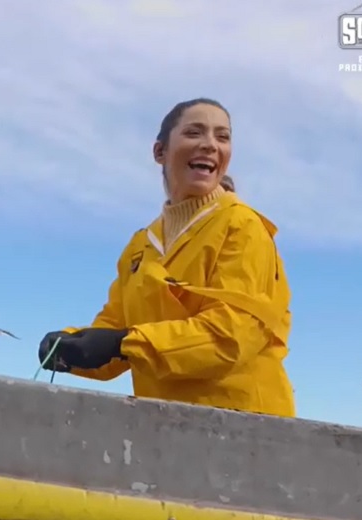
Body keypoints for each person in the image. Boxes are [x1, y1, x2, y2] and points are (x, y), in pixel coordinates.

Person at [37, 98, 294, 417]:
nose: (210, 145)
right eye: (194, 133)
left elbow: (231, 336)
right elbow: (115, 330)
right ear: (160, 152)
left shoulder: (243, 227)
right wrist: (72, 347)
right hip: (164, 428)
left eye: (222, 137)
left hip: (245, 428)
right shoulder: (140, 246)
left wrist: (122, 342)